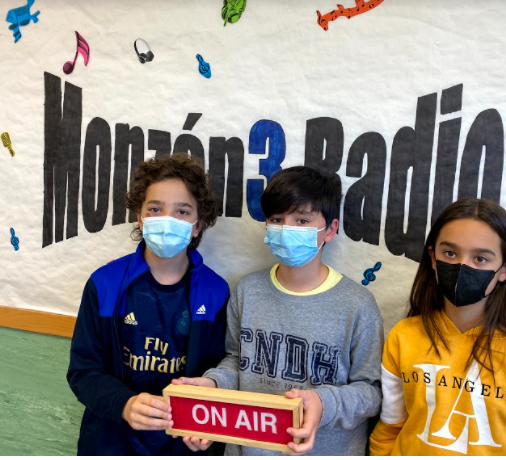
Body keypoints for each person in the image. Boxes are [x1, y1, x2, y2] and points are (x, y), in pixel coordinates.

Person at [173, 166, 384, 455]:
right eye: (276, 219)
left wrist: (324, 403)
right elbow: (236, 362)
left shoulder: (357, 305)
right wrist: (213, 385)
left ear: (330, 229)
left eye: (302, 220)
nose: (287, 229)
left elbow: (372, 391)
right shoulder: (247, 291)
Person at [369, 198, 506, 456]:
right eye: (450, 253)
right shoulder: (403, 336)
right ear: (433, 258)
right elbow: (390, 430)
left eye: (480, 258)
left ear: (505, 268)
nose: (463, 266)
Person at [67, 153, 229, 455]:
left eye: (182, 211)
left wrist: (208, 423)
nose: (167, 220)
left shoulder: (215, 292)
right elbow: (83, 372)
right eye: (155, 209)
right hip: (110, 442)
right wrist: (124, 404)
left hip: (184, 444)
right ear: (140, 218)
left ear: (198, 225)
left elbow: (220, 374)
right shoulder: (104, 284)